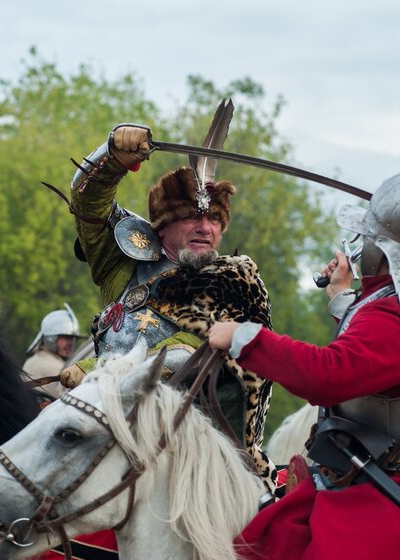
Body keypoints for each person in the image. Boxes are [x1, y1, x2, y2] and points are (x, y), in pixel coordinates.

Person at [207, 164, 400, 558]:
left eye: (365, 237)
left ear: (380, 248)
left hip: (395, 491)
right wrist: (340, 297)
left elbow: (327, 375)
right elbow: (372, 355)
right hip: (375, 475)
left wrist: (247, 338)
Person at [60, 107, 276, 492]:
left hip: (197, 454)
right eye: (192, 218)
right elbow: (87, 200)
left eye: (214, 221)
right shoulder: (124, 263)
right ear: (162, 226)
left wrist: (99, 372)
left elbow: (191, 351)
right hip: (101, 423)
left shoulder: (235, 282)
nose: (205, 228)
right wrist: (112, 155)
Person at [23, 304, 83, 399]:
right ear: (51, 338)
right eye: (66, 337)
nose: (71, 343)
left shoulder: (37, 358)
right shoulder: (56, 368)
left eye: (73, 338)